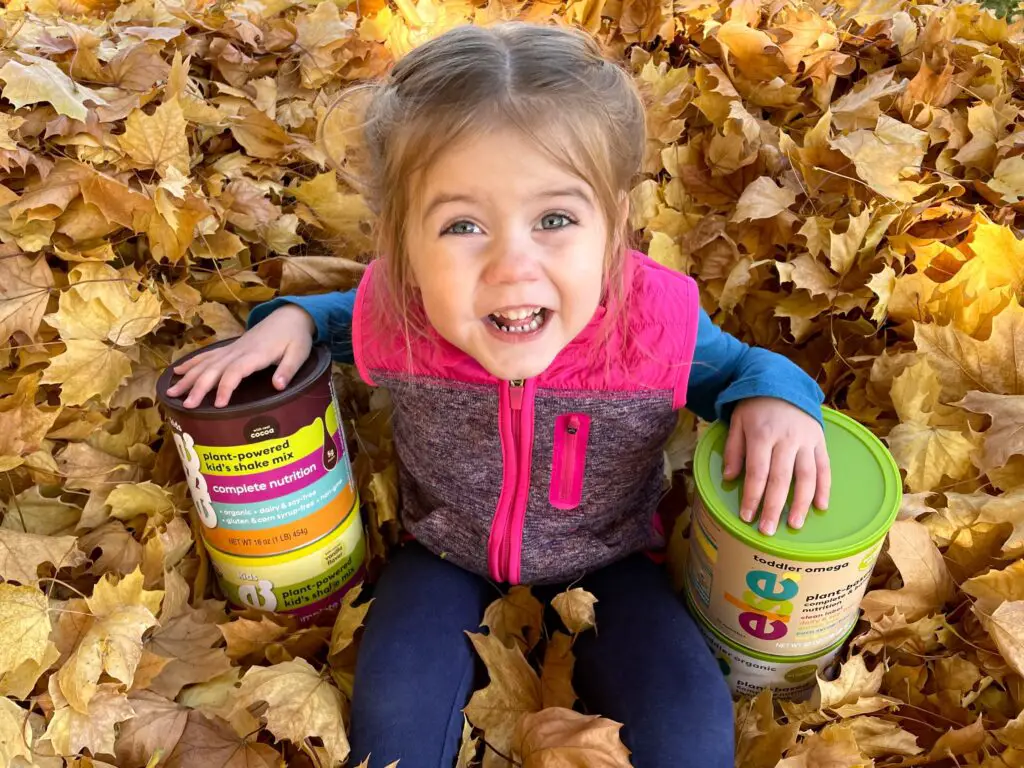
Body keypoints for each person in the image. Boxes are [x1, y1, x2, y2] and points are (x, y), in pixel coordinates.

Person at [166, 21, 830, 767]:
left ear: (613, 224)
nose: (513, 265)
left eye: (554, 219)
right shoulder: (402, 313)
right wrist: (287, 320)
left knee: (691, 729)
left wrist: (775, 399)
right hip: (445, 553)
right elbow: (335, 319)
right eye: (462, 226)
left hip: (611, 562)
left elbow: (743, 368)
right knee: (392, 730)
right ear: (402, 245)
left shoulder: (654, 325)